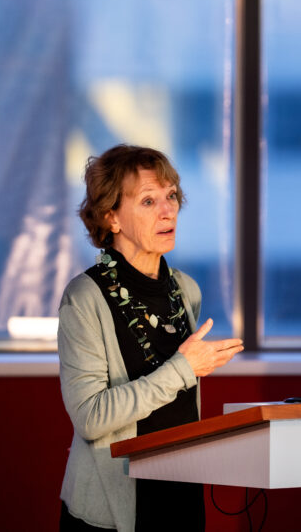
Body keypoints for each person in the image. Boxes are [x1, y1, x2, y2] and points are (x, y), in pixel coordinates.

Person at [57, 144, 243, 531]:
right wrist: (184, 369)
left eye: (171, 195)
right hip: (114, 511)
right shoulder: (84, 298)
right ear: (111, 217)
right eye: (148, 200)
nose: (168, 210)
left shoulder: (185, 289)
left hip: (181, 496)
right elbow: (91, 418)